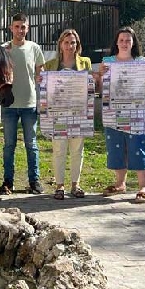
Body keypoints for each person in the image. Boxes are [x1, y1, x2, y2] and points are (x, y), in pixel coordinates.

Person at [98, 26, 145, 204]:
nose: (124, 43)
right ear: (116, 42)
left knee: (138, 146)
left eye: (128, 40)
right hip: (114, 113)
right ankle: (120, 184)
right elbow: (101, 86)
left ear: (133, 42)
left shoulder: (142, 62)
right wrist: (100, 75)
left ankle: (143, 187)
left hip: (138, 114)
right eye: (121, 40)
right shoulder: (108, 62)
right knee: (116, 147)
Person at [40, 29, 94, 200]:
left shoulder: (85, 63)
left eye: (73, 43)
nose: (70, 46)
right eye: (66, 42)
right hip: (58, 114)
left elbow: (91, 86)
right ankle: (59, 185)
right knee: (59, 150)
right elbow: (44, 88)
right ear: (60, 44)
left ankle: (75, 185)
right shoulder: (50, 65)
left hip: (79, 113)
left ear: (77, 45)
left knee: (77, 150)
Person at [0, 13, 46, 195]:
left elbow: (41, 74)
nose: (20, 30)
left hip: (29, 104)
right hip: (8, 105)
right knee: (9, 145)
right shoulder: (3, 49)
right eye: (17, 26)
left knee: (31, 144)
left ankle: (34, 181)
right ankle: (8, 181)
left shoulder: (34, 48)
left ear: (28, 28)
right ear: (11, 28)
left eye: (23, 27)